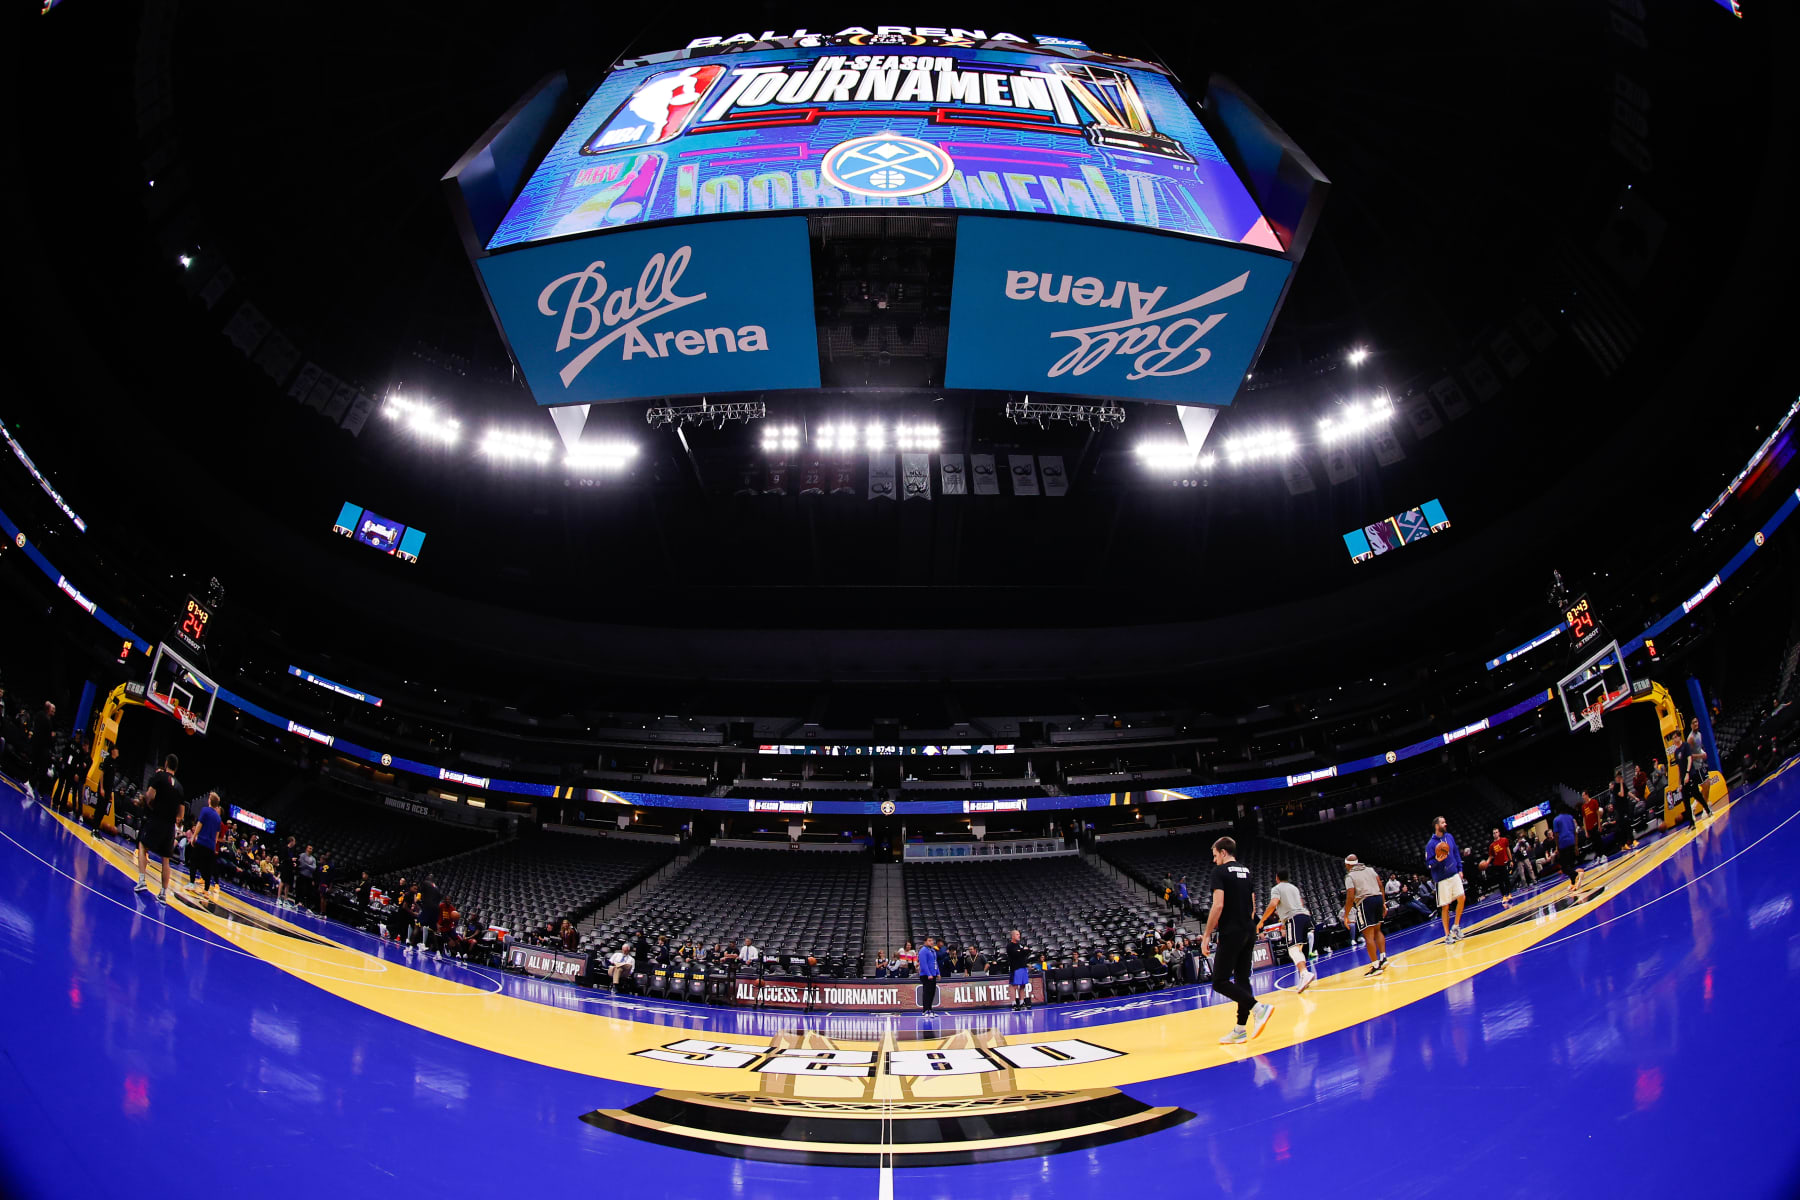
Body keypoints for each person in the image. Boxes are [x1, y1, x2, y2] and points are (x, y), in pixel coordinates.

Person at [1205, 837, 1272, 1045]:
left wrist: (1206, 935)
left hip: (1232, 931)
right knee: (1242, 980)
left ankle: (1258, 1008)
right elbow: (1253, 906)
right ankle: (1240, 1029)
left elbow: (1218, 905)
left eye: (1215, 855)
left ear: (1223, 852)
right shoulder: (1246, 871)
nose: (1214, 860)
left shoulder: (1219, 872)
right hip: (1249, 929)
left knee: (1219, 981)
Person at [133, 754, 186, 903]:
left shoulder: (160, 776)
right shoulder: (180, 787)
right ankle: (163, 893)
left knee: (143, 845)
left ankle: (142, 880)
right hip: (169, 826)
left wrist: (151, 805)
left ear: (166, 763)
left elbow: (149, 796)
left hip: (156, 818)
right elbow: (181, 815)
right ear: (176, 768)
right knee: (166, 860)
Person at [1259, 867, 1316, 992]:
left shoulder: (1277, 888)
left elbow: (1273, 904)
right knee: (1298, 948)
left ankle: (1304, 973)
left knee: (1292, 949)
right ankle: (1304, 976)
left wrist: (1262, 920)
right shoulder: (1294, 888)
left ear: (1277, 878)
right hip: (1305, 916)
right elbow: (1300, 903)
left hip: (1293, 918)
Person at [1342, 853, 1388, 975]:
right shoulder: (1370, 870)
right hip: (1378, 898)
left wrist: (1346, 915)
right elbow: (1380, 885)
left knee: (1368, 935)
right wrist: (1383, 903)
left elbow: (1350, 895)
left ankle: (1376, 966)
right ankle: (1383, 957)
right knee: (1377, 930)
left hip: (1365, 901)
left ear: (1348, 865)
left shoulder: (1350, 876)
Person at [1425, 816, 1466, 945]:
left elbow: (1456, 853)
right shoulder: (1431, 844)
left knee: (1462, 898)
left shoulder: (1449, 837)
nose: (1445, 824)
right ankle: (1447, 935)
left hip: (1454, 873)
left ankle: (1456, 926)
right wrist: (1437, 860)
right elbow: (1428, 865)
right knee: (1445, 907)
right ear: (1437, 826)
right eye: (1443, 823)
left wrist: (1460, 869)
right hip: (1441, 879)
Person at [184, 792, 224, 902]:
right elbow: (216, 835)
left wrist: (194, 837)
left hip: (201, 842)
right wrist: (213, 846)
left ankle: (191, 883)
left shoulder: (205, 810)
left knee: (193, 862)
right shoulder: (218, 818)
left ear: (209, 800)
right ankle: (206, 890)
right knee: (207, 867)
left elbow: (199, 824)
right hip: (211, 846)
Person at [1551, 806, 1583, 896]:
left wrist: (1557, 847)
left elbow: (1556, 835)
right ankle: (1573, 883)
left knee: (1564, 867)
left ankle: (1576, 874)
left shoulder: (1556, 820)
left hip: (1563, 844)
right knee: (1571, 864)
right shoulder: (1570, 817)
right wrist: (1576, 846)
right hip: (1572, 842)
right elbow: (1575, 832)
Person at [1482, 827, 1515, 906]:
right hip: (1497, 865)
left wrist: (1511, 860)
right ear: (1493, 835)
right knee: (1500, 881)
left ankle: (1509, 894)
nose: (1495, 834)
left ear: (1499, 833)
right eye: (1494, 833)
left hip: (1505, 862)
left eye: (1496, 832)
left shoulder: (1504, 840)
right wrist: (1486, 863)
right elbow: (1491, 856)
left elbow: (1508, 850)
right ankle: (1504, 896)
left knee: (1506, 879)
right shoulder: (1491, 846)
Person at [1005, 929, 1032, 1011]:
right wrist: (1023, 951)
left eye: (1019, 934)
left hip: (1023, 967)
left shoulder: (1020, 945)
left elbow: (1026, 952)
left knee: (1023, 985)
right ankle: (1013, 1003)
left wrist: (1022, 951)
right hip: (1015, 968)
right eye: (1017, 934)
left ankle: (1021, 1002)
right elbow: (1016, 954)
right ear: (1013, 936)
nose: (1019, 936)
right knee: (1014, 985)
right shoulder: (1010, 946)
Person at [917, 935, 942, 1015]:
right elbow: (923, 964)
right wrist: (928, 974)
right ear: (925, 942)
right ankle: (925, 1010)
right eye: (929, 941)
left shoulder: (933, 950)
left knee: (932, 992)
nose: (931, 942)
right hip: (926, 975)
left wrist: (938, 973)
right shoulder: (923, 951)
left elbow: (935, 962)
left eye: (932, 941)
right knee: (927, 992)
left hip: (933, 974)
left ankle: (930, 1008)